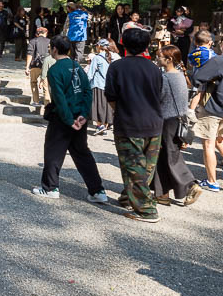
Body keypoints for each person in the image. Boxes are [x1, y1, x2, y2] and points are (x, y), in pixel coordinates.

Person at [32, 36, 108, 203]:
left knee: (53, 151)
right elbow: (87, 92)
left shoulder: (55, 70)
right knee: (82, 154)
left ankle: (50, 187)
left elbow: (59, 98)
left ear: (54, 49)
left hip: (63, 117)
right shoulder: (77, 66)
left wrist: (68, 120)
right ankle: (97, 190)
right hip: (79, 116)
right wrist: (82, 115)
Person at [105, 27, 164, 222]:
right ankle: (129, 196)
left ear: (123, 44)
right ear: (147, 46)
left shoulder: (117, 67)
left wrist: (120, 110)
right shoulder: (154, 68)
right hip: (154, 122)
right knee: (146, 167)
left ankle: (147, 210)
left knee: (134, 167)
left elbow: (111, 96)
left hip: (129, 122)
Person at [152, 45, 203, 206]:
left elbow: (157, 99)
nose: (157, 59)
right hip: (178, 120)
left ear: (169, 59)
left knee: (170, 156)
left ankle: (190, 185)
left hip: (167, 120)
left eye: (160, 56)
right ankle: (162, 193)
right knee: (164, 156)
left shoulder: (165, 78)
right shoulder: (180, 76)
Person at [188, 41, 223, 192]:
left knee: (209, 145)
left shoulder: (218, 60)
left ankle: (212, 181)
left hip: (214, 107)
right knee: (219, 140)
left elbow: (197, 78)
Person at [85, 39, 115, 136]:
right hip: (109, 85)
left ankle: (99, 125)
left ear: (99, 46)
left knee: (98, 105)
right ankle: (105, 126)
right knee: (107, 106)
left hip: (98, 84)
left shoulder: (97, 58)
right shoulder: (112, 57)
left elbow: (90, 73)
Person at [25, 27, 50, 107]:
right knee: (46, 85)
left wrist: (27, 67)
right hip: (46, 66)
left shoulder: (32, 41)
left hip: (35, 65)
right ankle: (47, 103)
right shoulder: (49, 41)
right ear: (45, 33)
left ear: (37, 33)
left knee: (33, 82)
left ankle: (36, 101)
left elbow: (30, 54)